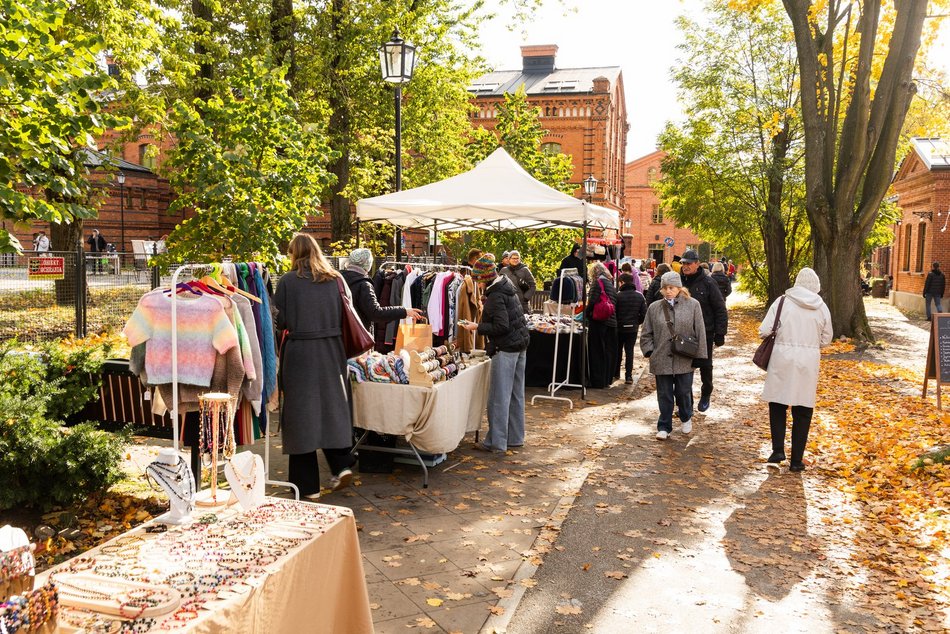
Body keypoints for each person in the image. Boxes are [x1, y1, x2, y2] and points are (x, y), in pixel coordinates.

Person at [274, 233, 356, 499]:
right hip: (332, 350)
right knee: (332, 409)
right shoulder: (336, 279)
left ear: (294, 253)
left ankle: (307, 486)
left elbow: (281, 321)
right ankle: (341, 464)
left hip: (301, 353)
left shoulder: (287, 282)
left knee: (301, 416)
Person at [760, 268, 833, 471]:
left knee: (778, 404)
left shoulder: (782, 302)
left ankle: (777, 450)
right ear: (816, 286)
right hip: (808, 361)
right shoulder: (821, 307)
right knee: (803, 409)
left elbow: (764, 330)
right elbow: (827, 339)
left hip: (782, 358)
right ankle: (796, 460)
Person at [461, 254, 530, 453]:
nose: (477, 284)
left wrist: (477, 326)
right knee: (516, 395)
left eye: (478, 280)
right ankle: (515, 438)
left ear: (484, 278)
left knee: (499, 397)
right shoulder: (506, 286)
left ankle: (496, 442)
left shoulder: (495, 295)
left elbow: (501, 326)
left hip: (507, 348)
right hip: (520, 345)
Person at [640, 272, 707, 440]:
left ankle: (686, 416)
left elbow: (700, 330)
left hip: (685, 357)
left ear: (679, 288)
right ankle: (664, 426)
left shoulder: (693, 305)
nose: (668, 291)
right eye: (665, 288)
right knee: (664, 394)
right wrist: (649, 351)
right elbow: (646, 332)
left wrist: (700, 356)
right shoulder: (654, 308)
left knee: (684, 391)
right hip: (661, 357)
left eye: (671, 288)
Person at [679, 249, 728, 413]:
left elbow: (720, 308)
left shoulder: (708, 283)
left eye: (688, 263)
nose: (685, 266)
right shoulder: (679, 282)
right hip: (684, 333)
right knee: (684, 369)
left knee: (705, 367)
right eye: (683, 263)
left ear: (697, 264)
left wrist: (720, 333)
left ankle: (706, 392)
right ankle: (687, 404)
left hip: (705, 333)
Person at [341, 248, 423, 332]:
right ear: (368, 264)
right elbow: (376, 313)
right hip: (357, 335)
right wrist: (404, 311)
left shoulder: (337, 280)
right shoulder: (364, 285)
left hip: (339, 336)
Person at [585, 261, 619, 389]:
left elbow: (592, 301)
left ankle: (597, 381)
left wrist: (586, 315)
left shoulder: (597, 283)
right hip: (612, 322)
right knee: (608, 352)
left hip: (599, 321)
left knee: (597, 351)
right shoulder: (610, 284)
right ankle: (606, 380)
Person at [615, 273, 647, 384]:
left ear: (622, 282)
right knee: (629, 352)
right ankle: (628, 376)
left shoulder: (617, 296)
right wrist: (637, 322)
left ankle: (616, 373)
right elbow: (644, 313)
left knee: (618, 351)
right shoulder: (639, 296)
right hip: (632, 329)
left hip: (619, 328)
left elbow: (614, 313)